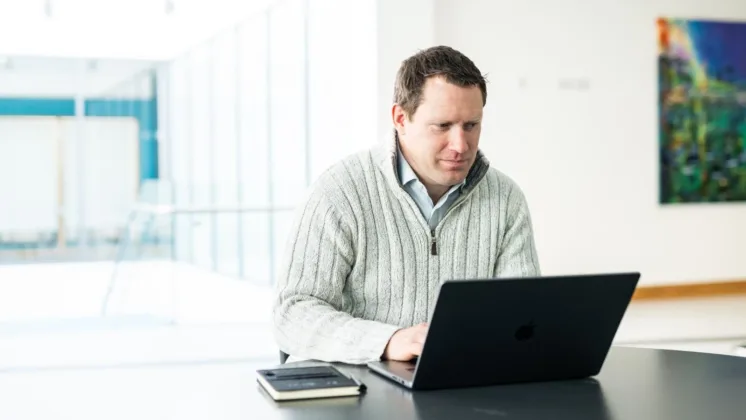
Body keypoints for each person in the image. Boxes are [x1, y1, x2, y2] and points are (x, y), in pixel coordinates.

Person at [272, 45, 541, 365]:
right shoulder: (340, 191)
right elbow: (292, 314)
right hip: (360, 387)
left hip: (464, 386)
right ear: (401, 118)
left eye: (471, 125)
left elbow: (524, 317)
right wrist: (387, 340)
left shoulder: (506, 199)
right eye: (442, 126)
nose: (460, 145)